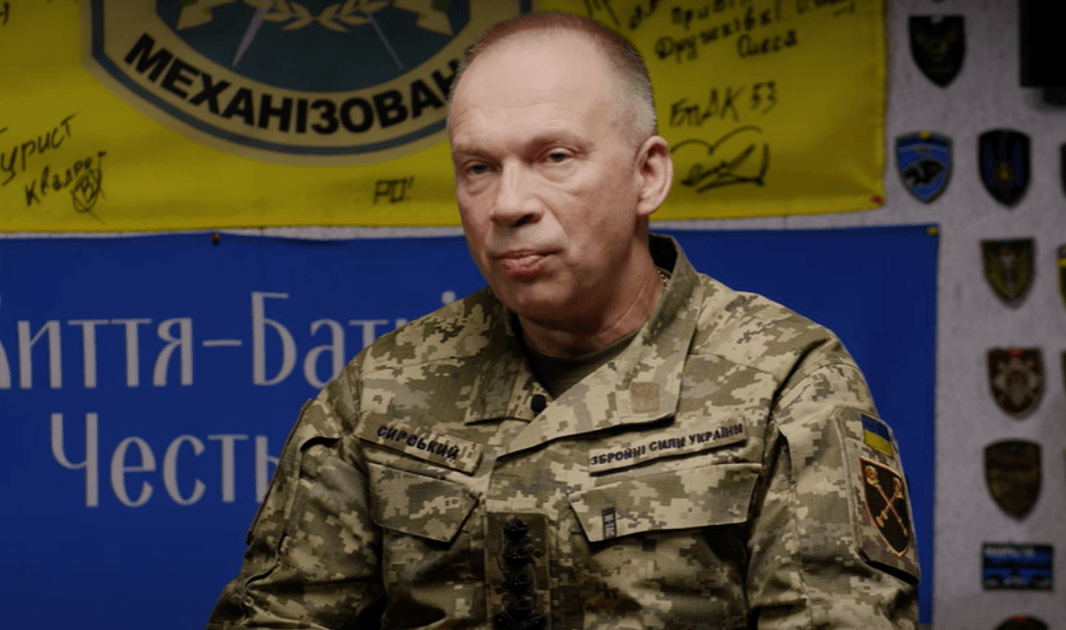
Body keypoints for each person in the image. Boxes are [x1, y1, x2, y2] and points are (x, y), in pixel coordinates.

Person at [207, 11, 919, 630]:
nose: (508, 203)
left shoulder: (784, 379)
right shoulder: (384, 387)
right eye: (478, 167)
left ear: (647, 176)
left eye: (554, 156)